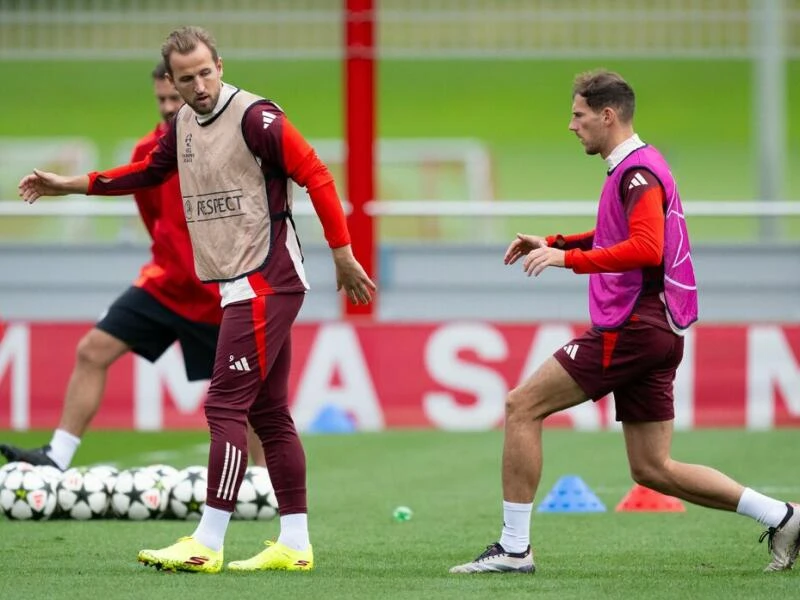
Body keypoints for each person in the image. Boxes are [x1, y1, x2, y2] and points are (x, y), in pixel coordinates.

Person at [18, 25, 376, 573]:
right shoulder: (183, 124)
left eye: (206, 72)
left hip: (266, 279)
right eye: (186, 79)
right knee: (270, 413)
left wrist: (343, 253)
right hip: (237, 282)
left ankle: (207, 542)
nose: (199, 86)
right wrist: (68, 185)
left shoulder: (256, 117)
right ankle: (296, 544)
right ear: (173, 83)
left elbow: (317, 174)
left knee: (223, 407)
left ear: (221, 65)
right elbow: (144, 173)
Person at [449, 69, 799, 575]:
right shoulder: (637, 169)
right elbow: (620, 230)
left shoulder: (637, 173)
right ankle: (783, 516)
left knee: (521, 406)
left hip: (633, 327)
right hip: (658, 329)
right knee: (653, 468)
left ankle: (514, 548)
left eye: (578, 115)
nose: (572, 126)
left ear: (607, 115)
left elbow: (645, 247)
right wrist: (560, 242)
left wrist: (564, 262)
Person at [1, 61, 266, 471]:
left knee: (247, 393)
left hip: (220, 292)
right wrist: (170, 256)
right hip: (165, 285)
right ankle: (58, 456)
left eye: (173, 99)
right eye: (161, 98)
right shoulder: (148, 150)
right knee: (93, 350)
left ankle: (264, 481)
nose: (166, 107)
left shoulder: (226, 146)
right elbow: (151, 215)